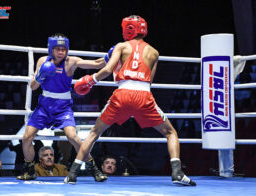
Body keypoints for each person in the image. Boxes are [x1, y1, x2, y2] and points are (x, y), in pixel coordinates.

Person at [66, 15, 196, 186]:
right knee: (170, 133)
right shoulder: (154, 52)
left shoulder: (121, 46)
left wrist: (91, 80)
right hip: (143, 95)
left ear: (127, 29)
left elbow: (106, 69)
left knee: (94, 133)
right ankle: (177, 173)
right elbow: (150, 81)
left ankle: (73, 174)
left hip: (122, 94)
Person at [17, 33, 107, 182]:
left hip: (63, 107)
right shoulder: (42, 61)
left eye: (64, 49)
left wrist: (111, 57)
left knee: (73, 137)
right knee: (26, 137)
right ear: (51, 49)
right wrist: (41, 75)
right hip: (44, 106)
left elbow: (96, 64)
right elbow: (33, 86)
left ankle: (94, 169)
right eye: (58, 49)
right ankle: (29, 170)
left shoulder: (71, 62)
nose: (61, 52)